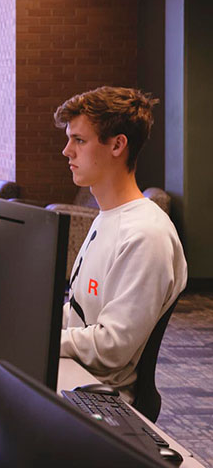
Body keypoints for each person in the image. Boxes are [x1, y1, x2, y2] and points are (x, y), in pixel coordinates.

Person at [54, 86, 187, 402]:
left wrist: (39, 340)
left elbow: (111, 347)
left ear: (117, 145)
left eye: (79, 140)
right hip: (74, 373)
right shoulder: (107, 217)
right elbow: (79, 315)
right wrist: (30, 326)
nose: (67, 151)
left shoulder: (146, 235)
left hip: (99, 396)